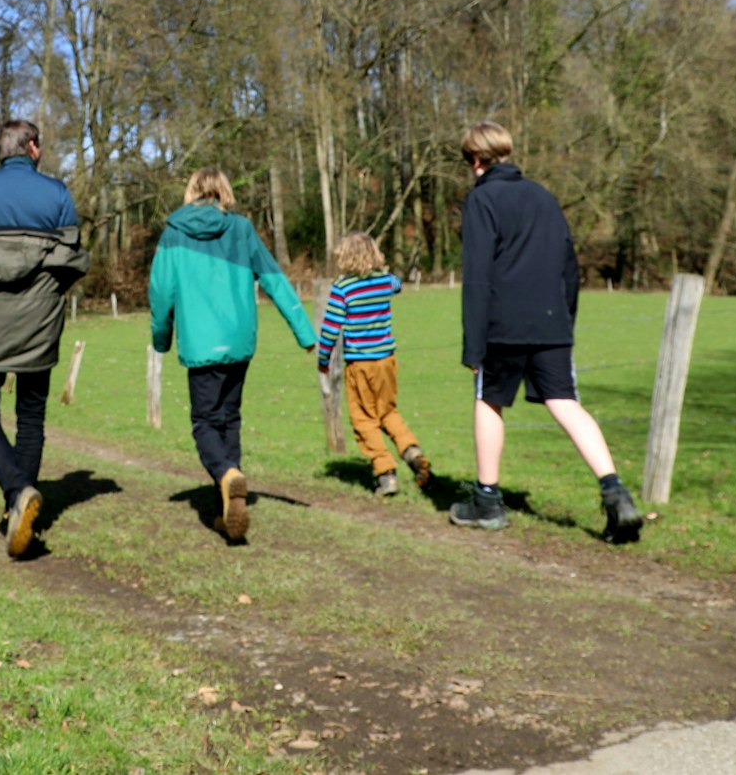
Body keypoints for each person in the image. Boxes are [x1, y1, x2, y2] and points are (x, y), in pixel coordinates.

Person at [450, 122, 643, 542]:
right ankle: (615, 491)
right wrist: (564, 322)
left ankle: (487, 501)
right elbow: (569, 268)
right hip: (553, 320)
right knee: (566, 403)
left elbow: (478, 277)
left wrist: (473, 344)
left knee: (489, 400)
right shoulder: (544, 196)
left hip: (503, 324)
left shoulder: (481, 200)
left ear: (476, 160)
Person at [148, 167, 316, 542]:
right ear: (224, 191)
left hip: (201, 344)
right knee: (230, 419)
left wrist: (161, 339)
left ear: (191, 192)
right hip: (239, 342)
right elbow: (273, 278)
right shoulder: (241, 229)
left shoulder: (174, 233)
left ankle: (226, 474)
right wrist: (304, 331)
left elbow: (161, 292)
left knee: (205, 423)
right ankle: (229, 503)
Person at [0, 119, 88, 558]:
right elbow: (73, 258)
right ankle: (21, 500)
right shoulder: (57, 194)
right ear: (32, 149)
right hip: (40, 320)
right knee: (31, 417)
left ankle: (16, 493)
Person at [318, 231, 430, 497]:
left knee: (363, 419)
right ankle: (412, 452)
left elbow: (330, 329)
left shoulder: (342, 288)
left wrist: (323, 359)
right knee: (388, 411)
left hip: (360, 365)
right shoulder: (384, 282)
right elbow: (398, 284)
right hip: (387, 361)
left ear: (345, 257)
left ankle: (385, 473)